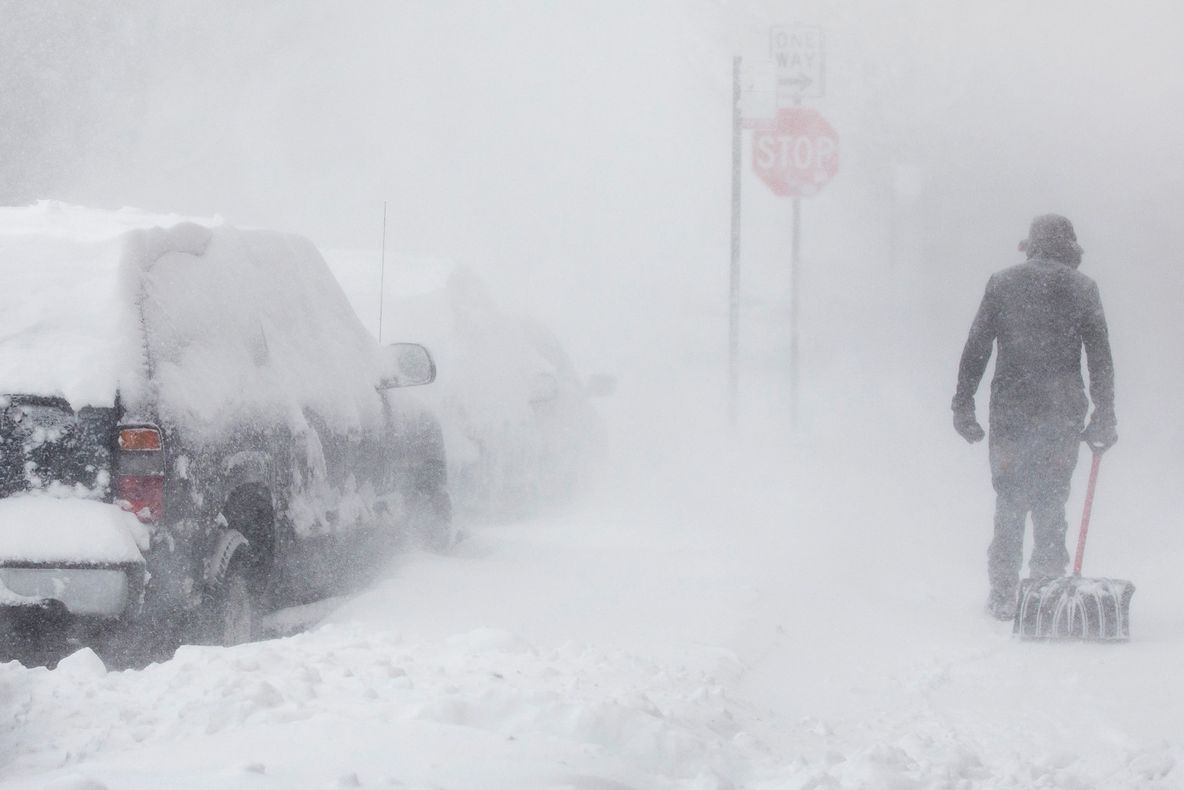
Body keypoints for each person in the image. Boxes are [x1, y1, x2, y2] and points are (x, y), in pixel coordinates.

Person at [952, 214, 1117, 620]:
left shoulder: (1003, 283)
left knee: (1009, 497)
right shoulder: (1082, 288)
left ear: (1032, 245)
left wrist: (963, 404)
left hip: (1011, 410)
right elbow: (1099, 358)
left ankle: (1004, 591)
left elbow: (977, 347)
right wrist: (1104, 414)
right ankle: (1045, 586)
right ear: (1070, 247)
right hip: (1061, 412)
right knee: (1050, 497)